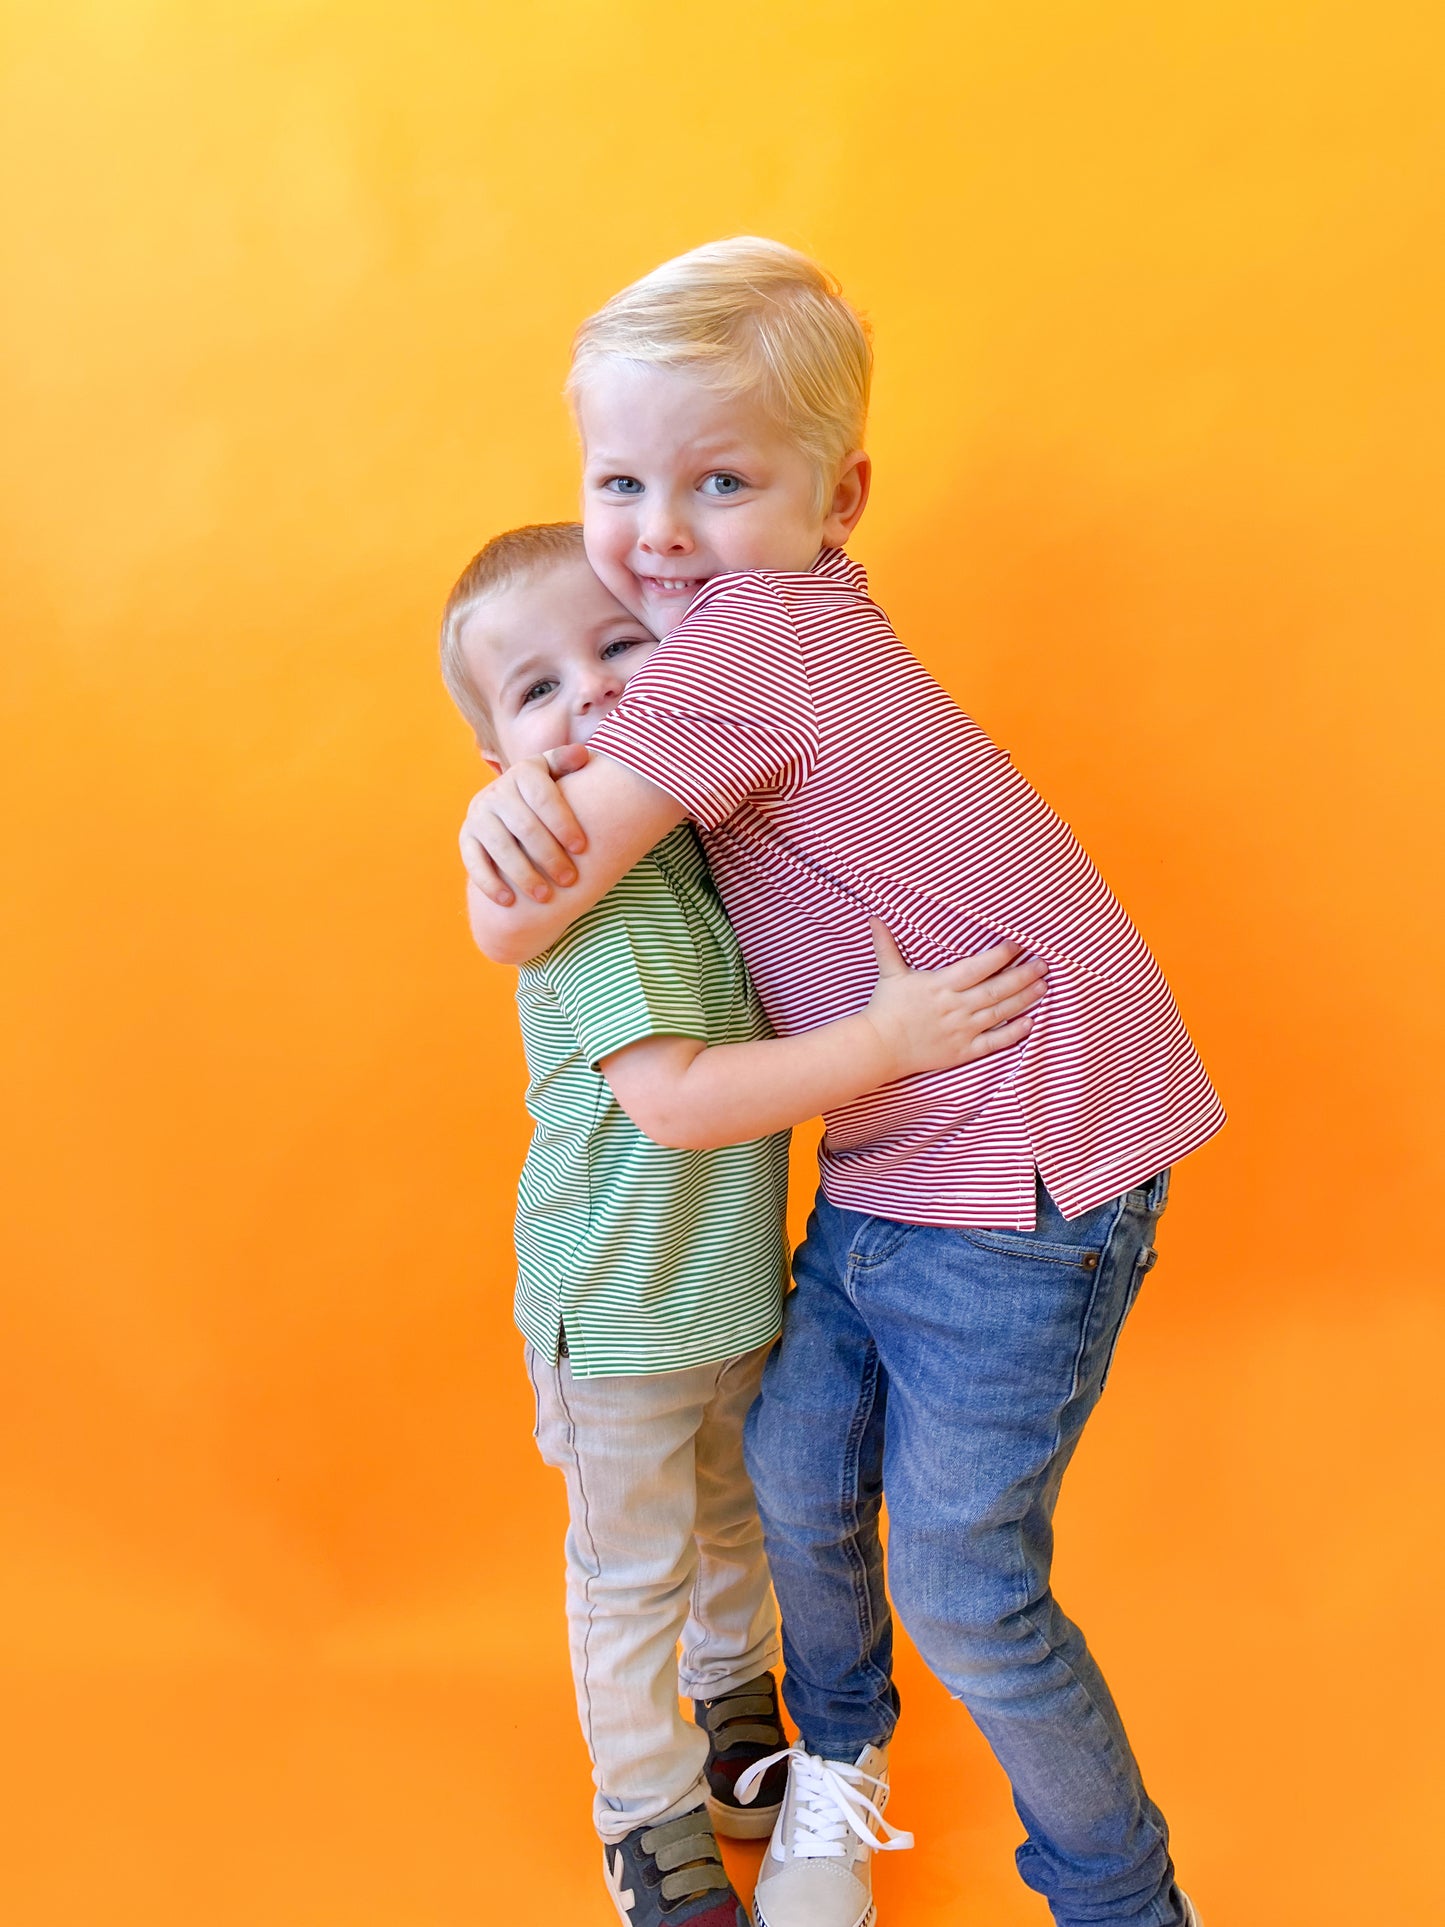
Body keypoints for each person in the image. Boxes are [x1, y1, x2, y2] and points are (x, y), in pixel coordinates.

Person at [457, 240, 1223, 1927]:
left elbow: (524, 909)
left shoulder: (740, 651)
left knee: (965, 1584)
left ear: (839, 494)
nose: (658, 530)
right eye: (619, 480)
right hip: (897, 1156)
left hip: (1022, 1159)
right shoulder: (748, 622)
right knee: (802, 1487)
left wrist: (488, 821)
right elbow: (576, 792)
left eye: (719, 482)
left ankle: (1120, 1895)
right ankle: (841, 1766)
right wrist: (515, 777)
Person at [439, 520, 1049, 1927]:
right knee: (632, 1573)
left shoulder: (703, 839)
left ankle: (733, 1725)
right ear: (501, 770)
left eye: (617, 648)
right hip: (622, 1311)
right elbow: (684, 1105)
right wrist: (890, 1043)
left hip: (726, 1294)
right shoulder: (582, 895)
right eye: (536, 690)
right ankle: (644, 1819)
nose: (590, 694)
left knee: (737, 1528)